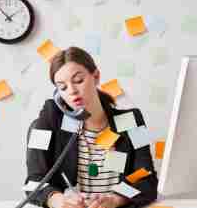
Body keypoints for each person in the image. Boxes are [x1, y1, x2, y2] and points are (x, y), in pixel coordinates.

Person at [24, 47, 158, 208]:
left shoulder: (130, 119)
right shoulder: (49, 119)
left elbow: (146, 177)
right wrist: (57, 200)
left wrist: (116, 199)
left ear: (96, 76)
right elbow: (33, 182)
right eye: (63, 87)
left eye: (79, 80)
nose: (72, 91)